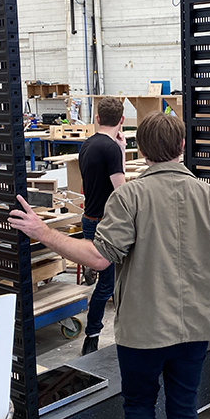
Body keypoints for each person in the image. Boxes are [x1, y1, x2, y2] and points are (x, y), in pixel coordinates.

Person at [9, 112, 210, 419]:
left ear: (142, 152)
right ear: (183, 146)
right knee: (183, 407)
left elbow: (99, 258)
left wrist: (43, 232)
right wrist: (203, 280)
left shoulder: (130, 197)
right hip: (198, 326)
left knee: (138, 403)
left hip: (145, 328)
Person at [78, 96, 127, 356]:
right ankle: (92, 337)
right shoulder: (110, 149)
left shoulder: (87, 145)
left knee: (107, 280)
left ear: (97, 118)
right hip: (106, 224)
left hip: (90, 218)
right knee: (108, 283)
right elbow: (122, 192)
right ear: (121, 121)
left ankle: (94, 334)